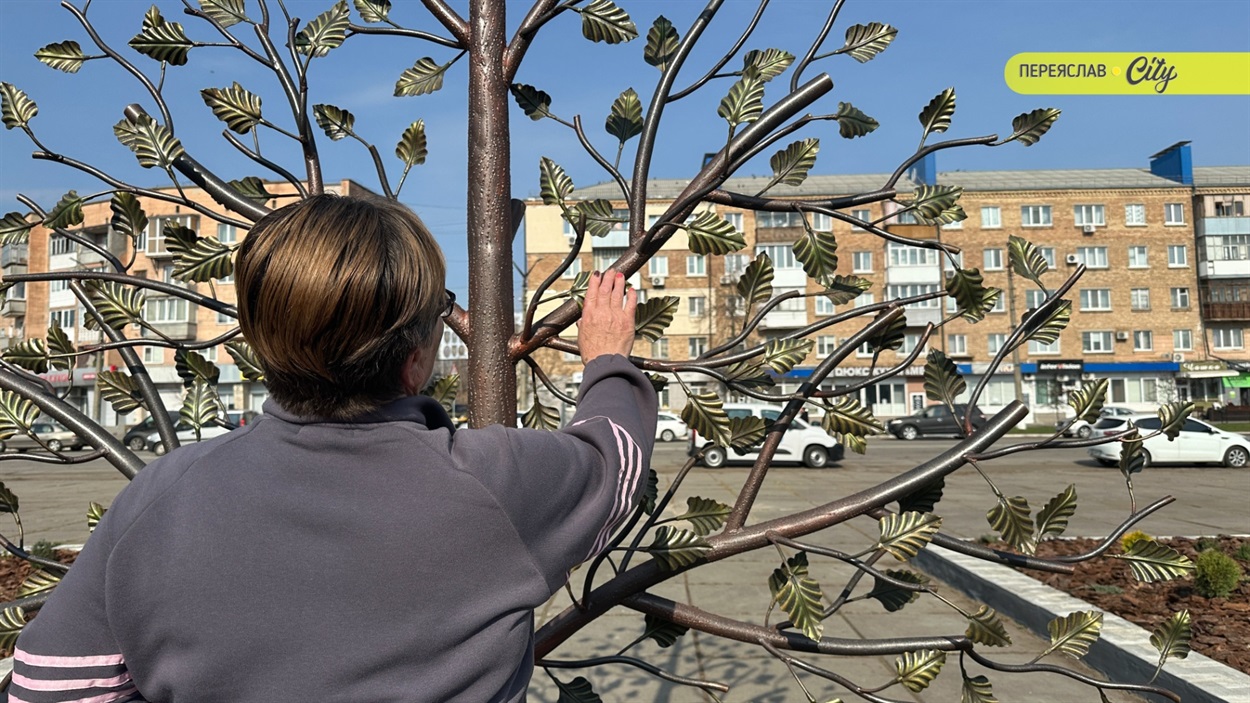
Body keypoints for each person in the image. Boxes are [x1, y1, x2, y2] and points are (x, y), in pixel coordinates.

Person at [11, 195, 656, 702]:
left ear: (261, 340)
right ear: (416, 360)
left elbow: (51, 684)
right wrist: (606, 361)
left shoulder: (160, 495)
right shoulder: (493, 483)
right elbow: (614, 460)